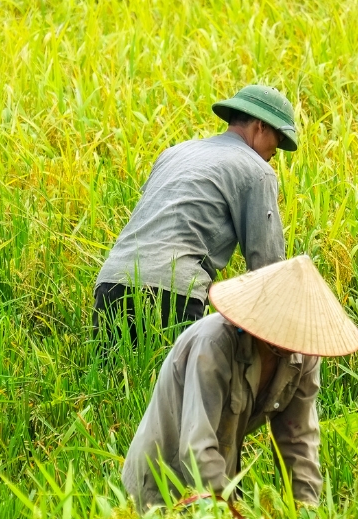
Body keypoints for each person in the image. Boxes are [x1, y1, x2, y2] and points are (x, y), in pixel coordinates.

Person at [122, 255, 358, 510]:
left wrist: (307, 515)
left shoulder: (304, 357)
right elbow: (197, 447)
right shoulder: (214, 347)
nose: (292, 340)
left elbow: (298, 439)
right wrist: (234, 518)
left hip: (219, 473)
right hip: (162, 479)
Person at [95, 85, 297, 342]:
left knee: (113, 380)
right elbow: (267, 267)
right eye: (276, 142)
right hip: (172, 293)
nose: (273, 154)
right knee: (178, 382)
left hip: (111, 282)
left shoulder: (175, 153)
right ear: (261, 126)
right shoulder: (257, 169)